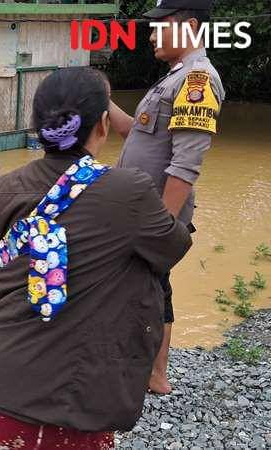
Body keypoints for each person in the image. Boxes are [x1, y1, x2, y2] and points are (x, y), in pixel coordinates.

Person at [0, 67, 192, 449]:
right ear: (102, 123)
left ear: (37, 126)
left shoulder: (4, 188)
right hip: (72, 398)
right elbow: (172, 247)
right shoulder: (129, 190)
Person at [109, 0, 224, 394]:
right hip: (141, 213)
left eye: (161, 25)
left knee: (149, 288)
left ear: (189, 25)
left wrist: (161, 228)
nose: (153, 33)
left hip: (154, 217)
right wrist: (99, 97)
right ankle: (152, 372)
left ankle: (155, 375)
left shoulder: (197, 81)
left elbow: (184, 165)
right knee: (151, 287)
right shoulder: (172, 79)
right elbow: (134, 134)